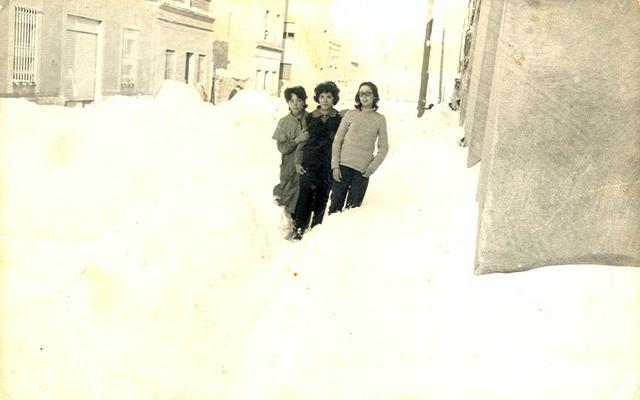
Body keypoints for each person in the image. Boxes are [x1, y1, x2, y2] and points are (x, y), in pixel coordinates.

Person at [291, 81, 342, 239]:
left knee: (322, 195)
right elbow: (303, 141)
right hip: (309, 163)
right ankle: (299, 227)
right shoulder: (310, 117)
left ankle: (316, 229)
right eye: (322, 96)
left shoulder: (339, 118)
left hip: (327, 164)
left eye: (329, 96)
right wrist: (298, 162)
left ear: (334, 99)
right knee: (305, 195)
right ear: (317, 98)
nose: (325, 100)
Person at [329, 81, 388, 213]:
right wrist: (335, 167)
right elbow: (337, 141)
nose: (364, 97)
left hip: (361, 173)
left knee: (352, 212)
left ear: (374, 96)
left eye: (368, 93)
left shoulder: (380, 119)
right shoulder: (350, 114)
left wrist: (371, 169)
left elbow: (383, 148)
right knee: (334, 209)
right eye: (361, 93)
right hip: (343, 168)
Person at [272, 86, 309, 223]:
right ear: (288, 103)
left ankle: (300, 225)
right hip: (289, 165)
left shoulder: (310, 119)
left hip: (307, 164)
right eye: (291, 100)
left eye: (299, 100)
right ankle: (285, 225)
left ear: (304, 101)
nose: (295, 103)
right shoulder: (284, 122)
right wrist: (297, 140)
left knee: (304, 195)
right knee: (288, 192)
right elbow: (282, 148)